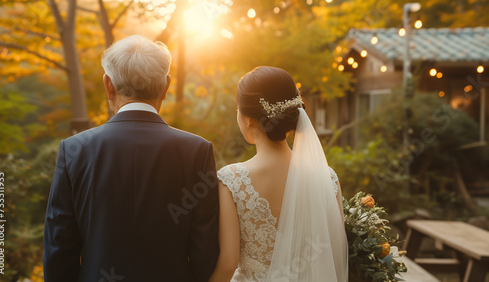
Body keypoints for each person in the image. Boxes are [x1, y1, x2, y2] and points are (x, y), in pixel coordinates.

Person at [43, 35, 219, 282]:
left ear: (108, 85)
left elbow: (59, 249)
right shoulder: (197, 151)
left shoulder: (74, 150)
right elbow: (206, 249)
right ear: (166, 86)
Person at [209, 66, 348, 281]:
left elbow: (228, 263)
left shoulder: (232, 180)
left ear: (248, 118)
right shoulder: (327, 178)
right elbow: (336, 253)